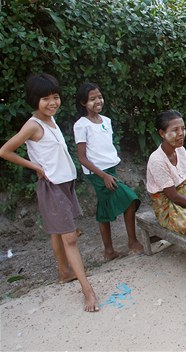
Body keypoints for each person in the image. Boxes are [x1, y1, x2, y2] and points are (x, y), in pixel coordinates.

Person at [0, 73, 98, 312]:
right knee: (70, 237)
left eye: (55, 97)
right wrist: (35, 167)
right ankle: (88, 291)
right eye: (45, 99)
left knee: (57, 231)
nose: (52, 102)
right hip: (52, 185)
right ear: (35, 100)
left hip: (65, 182)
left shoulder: (50, 121)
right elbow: (5, 151)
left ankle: (64, 272)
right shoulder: (33, 125)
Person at [73, 82, 144, 260]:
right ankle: (132, 242)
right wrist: (103, 175)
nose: (98, 101)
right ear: (83, 103)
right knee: (130, 199)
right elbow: (82, 157)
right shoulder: (81, 125)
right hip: (98, 174)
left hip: (110, 170)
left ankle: (109, 251)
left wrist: (110, 170)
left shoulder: (106, 121)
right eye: (92, 99)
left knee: (105, 207)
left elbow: (105, 148)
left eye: (99, 97)